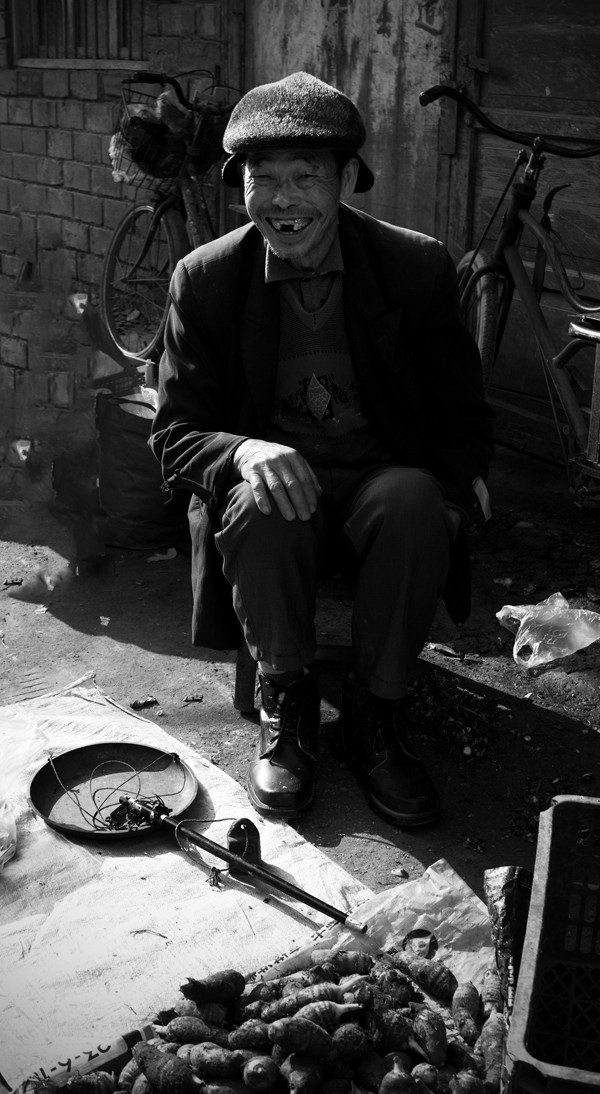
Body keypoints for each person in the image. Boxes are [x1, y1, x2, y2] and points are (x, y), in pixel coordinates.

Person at [149, 71, 494, 828]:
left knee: (413, 499)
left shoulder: (414, 266)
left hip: (377, 483)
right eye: (262, 178)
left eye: (306, 178)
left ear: (347, 180)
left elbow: (462, 415)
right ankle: (287, 703)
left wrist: (456, 489)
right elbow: (174, 433)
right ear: (241, 185)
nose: (283, 200)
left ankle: (376, 714)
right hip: (278, 504)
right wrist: (244, 451)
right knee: (261, 499)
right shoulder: (205, 280)